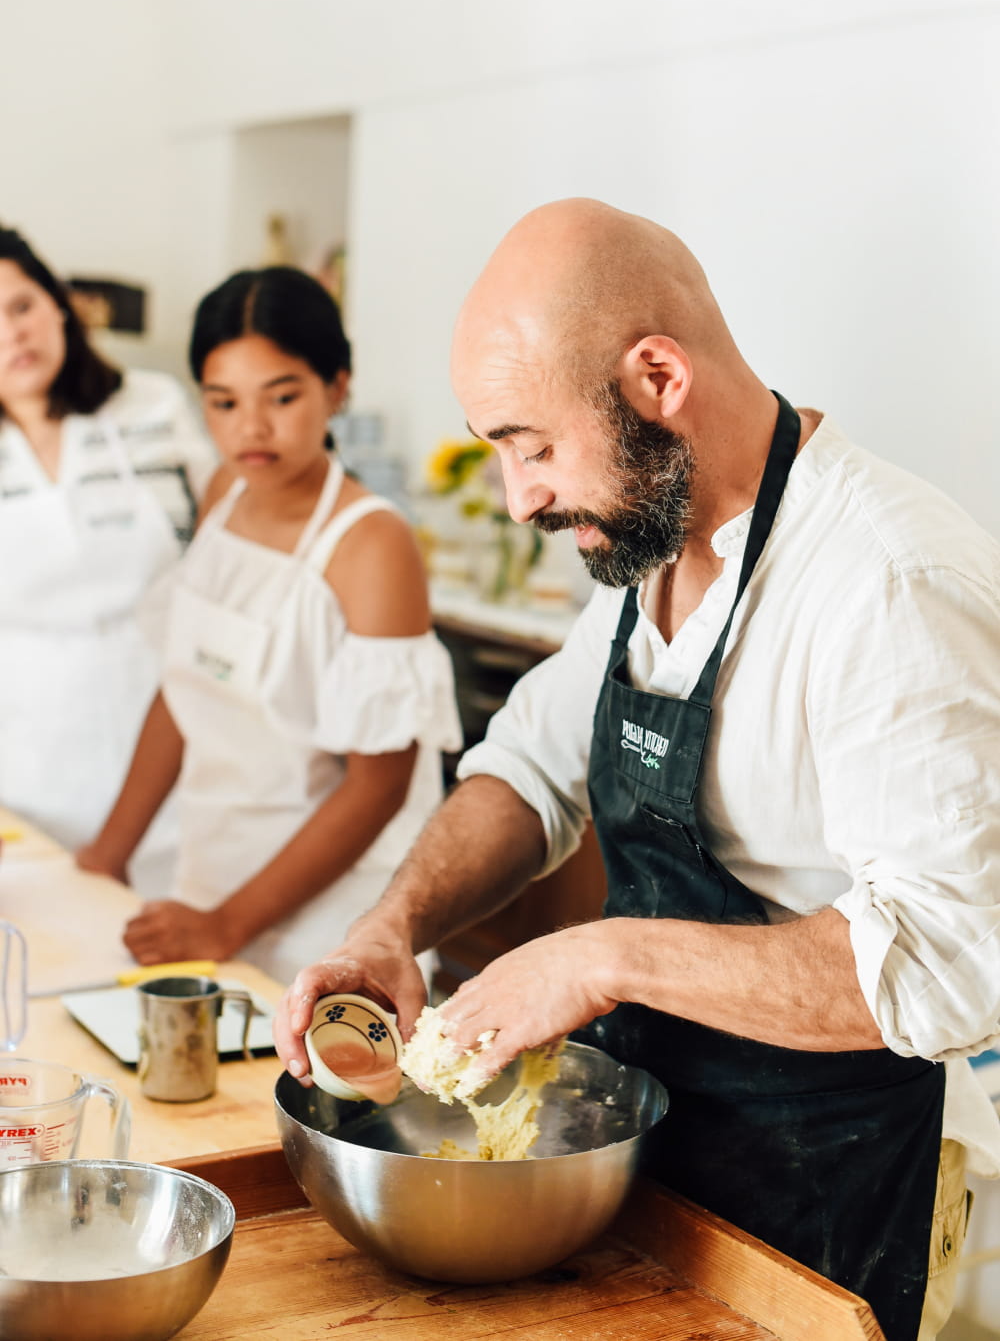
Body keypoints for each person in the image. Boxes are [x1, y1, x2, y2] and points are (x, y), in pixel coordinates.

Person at [274, 200, 1000, 1341]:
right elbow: (527, 770)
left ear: (658, 377)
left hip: (834, 1190)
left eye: (531, 444)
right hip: (665, 1160)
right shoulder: (648, 550)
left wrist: (601, 956)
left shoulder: (885, 582)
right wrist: (392, 923)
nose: (517, 496)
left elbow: (948, 967)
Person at [77, 266, 461, 986]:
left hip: (330, 918)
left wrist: (229, 924)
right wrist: (108, 853)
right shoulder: (224, 495)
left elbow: (377, 786)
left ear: (336, 389)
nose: (250, 429)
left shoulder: (372, 543)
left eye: (281, 397)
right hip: (210, 877)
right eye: (222, 403)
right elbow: (181, 688)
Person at [0, 225, 215, 894]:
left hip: (178, 749)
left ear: (60, 304)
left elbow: (228, 538)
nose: (13, 334)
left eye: (21, 306)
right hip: (27, 770)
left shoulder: (153, 406)